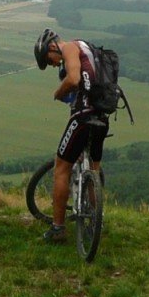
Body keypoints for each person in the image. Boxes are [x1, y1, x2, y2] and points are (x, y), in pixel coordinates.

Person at [35, 27, 107, 242]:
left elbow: (74, 79)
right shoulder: (88, 48)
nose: (54, 64)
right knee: (94, 168)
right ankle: (95, 223)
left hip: (83, 116)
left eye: (49, 60)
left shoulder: (68, 48)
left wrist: (58, 92)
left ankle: (58, 229)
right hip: (101, 117)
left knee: (61, 168)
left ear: (52, 46)